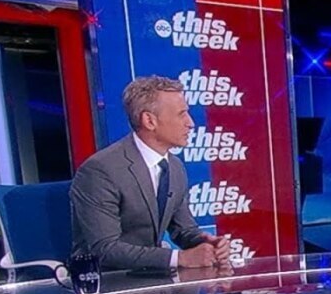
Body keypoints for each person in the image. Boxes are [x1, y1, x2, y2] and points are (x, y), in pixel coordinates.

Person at [71, 76, 230, 270]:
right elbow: (105, 250)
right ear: (149, 121)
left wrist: (205, 243)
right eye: (181, 114)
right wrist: (179, 258)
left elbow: (183, 230)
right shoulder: (100, 171)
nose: (191, 123)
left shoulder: (175, 167)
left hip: (152, 276)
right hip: (106, 281)